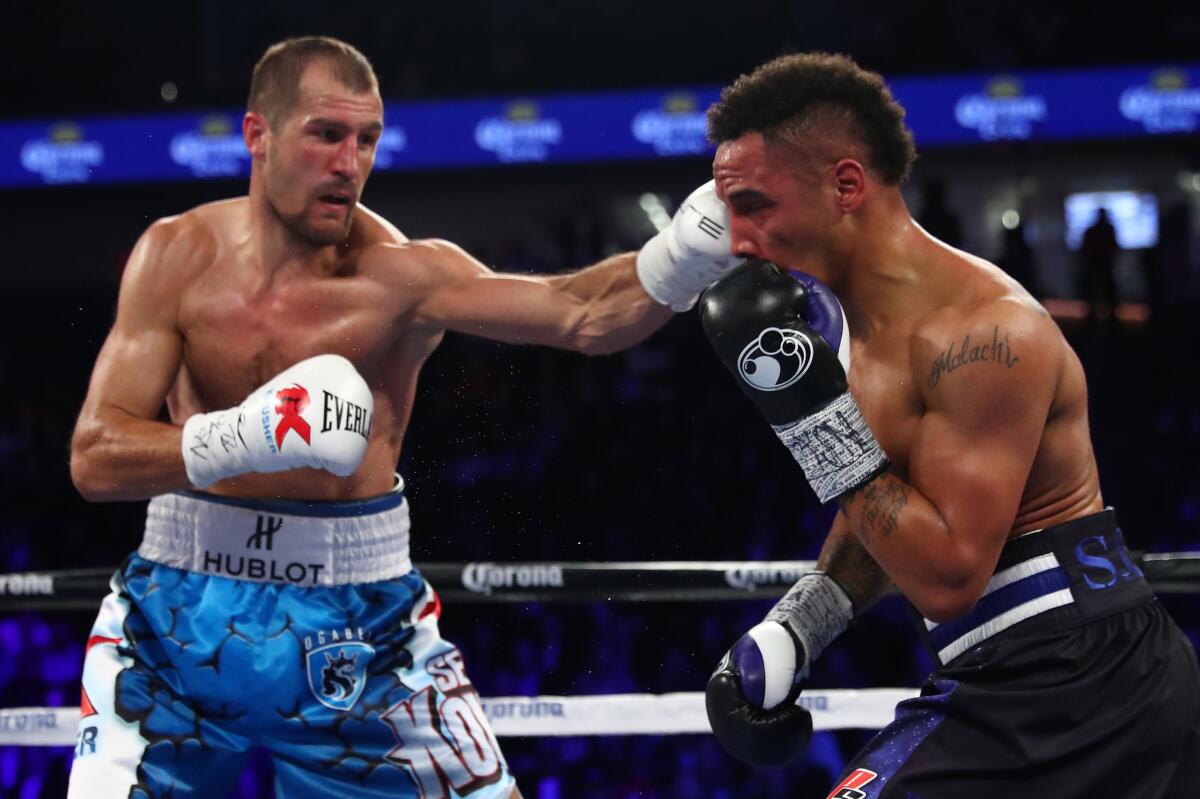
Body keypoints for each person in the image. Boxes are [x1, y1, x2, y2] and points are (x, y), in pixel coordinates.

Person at [65, 36, 734, 798]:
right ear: (258, 135)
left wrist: (686, 252)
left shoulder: (402, 276)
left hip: (361, 625)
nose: (350, 162)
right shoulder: (174, 255)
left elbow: (579, 312)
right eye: (326, 134)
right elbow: (95, 455)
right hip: (172, 616)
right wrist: (248, 433)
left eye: (367, 139)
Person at [694, 53, 1200, 797]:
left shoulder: (986, 334)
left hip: (1081, 675)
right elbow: (890, 506)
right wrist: (792, 634)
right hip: (1016, 673)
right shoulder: (861, 329)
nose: (737, 240)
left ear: (845, 186)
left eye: (756, 204)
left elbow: (949, 573)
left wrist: (808, 417)